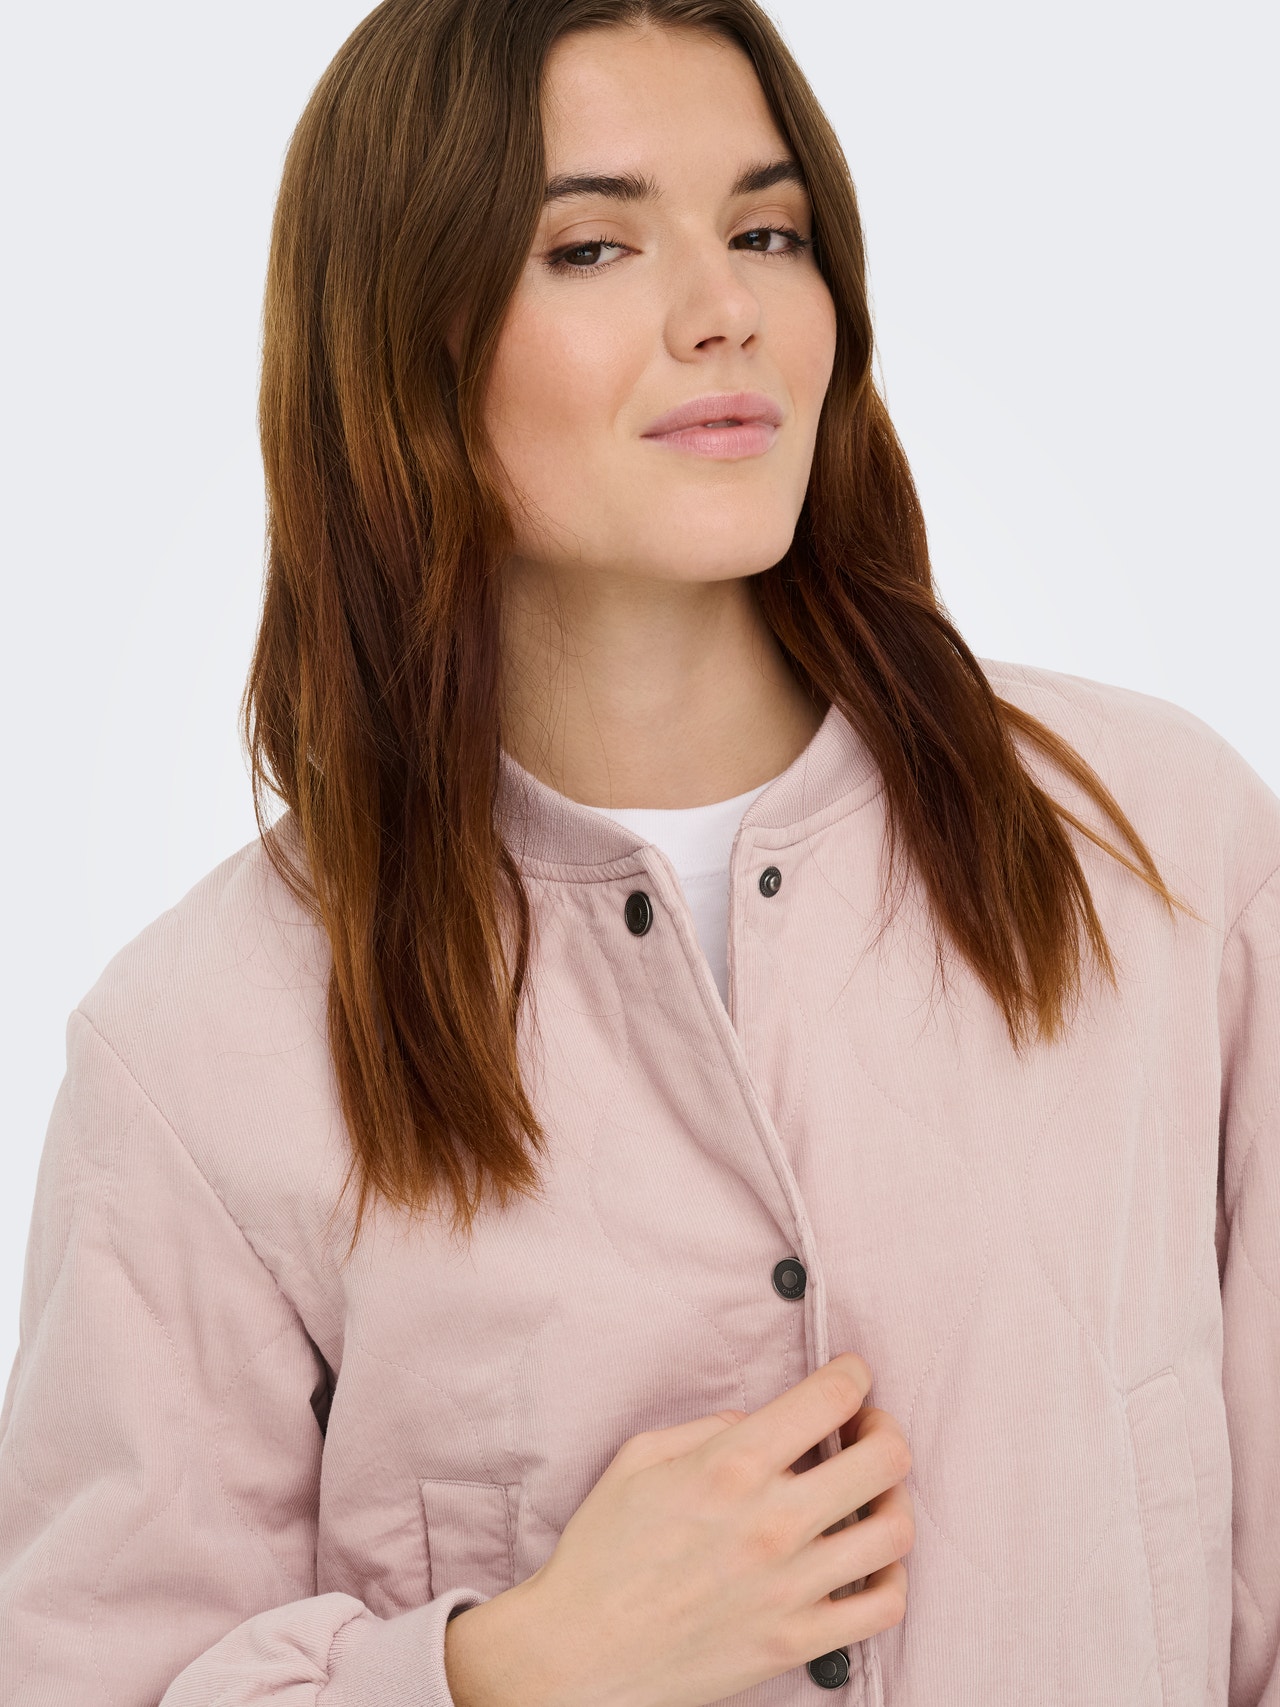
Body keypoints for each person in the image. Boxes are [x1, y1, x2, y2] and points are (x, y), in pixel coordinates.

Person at [2, 0, 1277, 1701]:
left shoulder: (1164, 850)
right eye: (593, 247)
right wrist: (510, 1670)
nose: (723, 309)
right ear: (406, 344)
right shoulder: (198, 1050)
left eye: (768, 232)